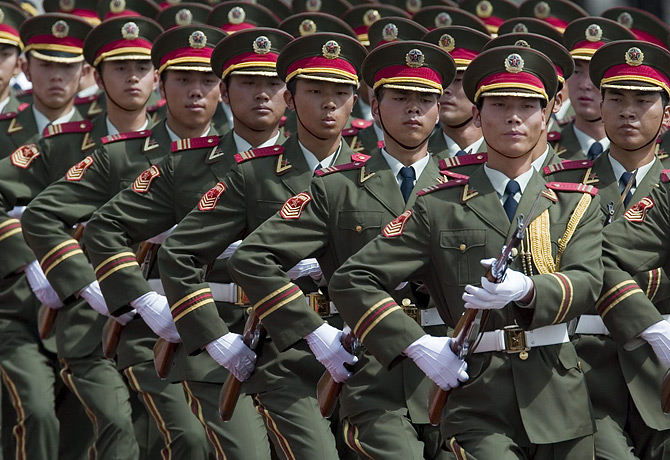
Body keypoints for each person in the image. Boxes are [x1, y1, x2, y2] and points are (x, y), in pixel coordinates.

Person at [329, 45, 602, 459]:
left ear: (547, 115)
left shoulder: (575, 200)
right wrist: (417, 345)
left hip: (557, 394)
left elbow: (588, 281)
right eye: (499, 105)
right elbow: (354, 279)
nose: (514, 117)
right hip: (476, 394)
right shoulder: (438, 204)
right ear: (477, 116)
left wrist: (528, 289)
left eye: (529, 106)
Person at [228, 39, 456, 460]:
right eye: (401, 97)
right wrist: (313, 332)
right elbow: (253, 258)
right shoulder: (338, 186)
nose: (413, 109)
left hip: (450, 367)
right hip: (369, 367)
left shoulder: (465, 190)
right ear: (374, 102)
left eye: (426, 100)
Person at [80, 26, 293, 460]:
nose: (261, 95)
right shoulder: (185, 164)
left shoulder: (323, 170)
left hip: (296, 340)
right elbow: (104, 229)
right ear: (228, 93)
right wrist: (145, 301)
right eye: (248, 83)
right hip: (202, 332)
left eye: (273, 84)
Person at [22, 25, 232, 460]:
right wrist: (90, 284)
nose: (196, 92)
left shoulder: (243, 159)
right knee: (149, 434)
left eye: (207, 80)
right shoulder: (123, 154)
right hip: (125, 324)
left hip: (219, 324)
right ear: (165, 82)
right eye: (183, 79)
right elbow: (43, 215)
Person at [156, 32, 367, 460]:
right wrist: (214, 338)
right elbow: (179, 252)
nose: (329, 103)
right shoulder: (253, 175)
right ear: (293, 99)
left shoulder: (371, 175)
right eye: (314, 91)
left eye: (341, 93)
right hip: (271, 346)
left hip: (357, 349)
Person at [8, 16, 163, 460]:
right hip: (71, 314)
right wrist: (42, 261)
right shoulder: (64, 143)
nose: (132, 79)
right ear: (97, 77)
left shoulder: (177, 150)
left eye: (142, 67)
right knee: (75, 424)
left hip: (154, 314)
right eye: (120, 68)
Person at [0, 12, 92, 460]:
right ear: (26, 67)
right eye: (46, 64)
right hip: (13, 303)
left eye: (68, 66)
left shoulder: (106, 139)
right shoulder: (5, 132)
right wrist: (27, 256)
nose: (57, 76)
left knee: (85, 427)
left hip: (91, 307)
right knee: (34, 413)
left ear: (85, 72)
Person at [575, 39, 670, 460]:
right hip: (584, 367)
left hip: (662, 366)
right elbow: (566, 259)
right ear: (601, 105)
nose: (628, 110)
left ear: (667, 115)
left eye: (643, 100)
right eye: (616, 98)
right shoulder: (566, 184)